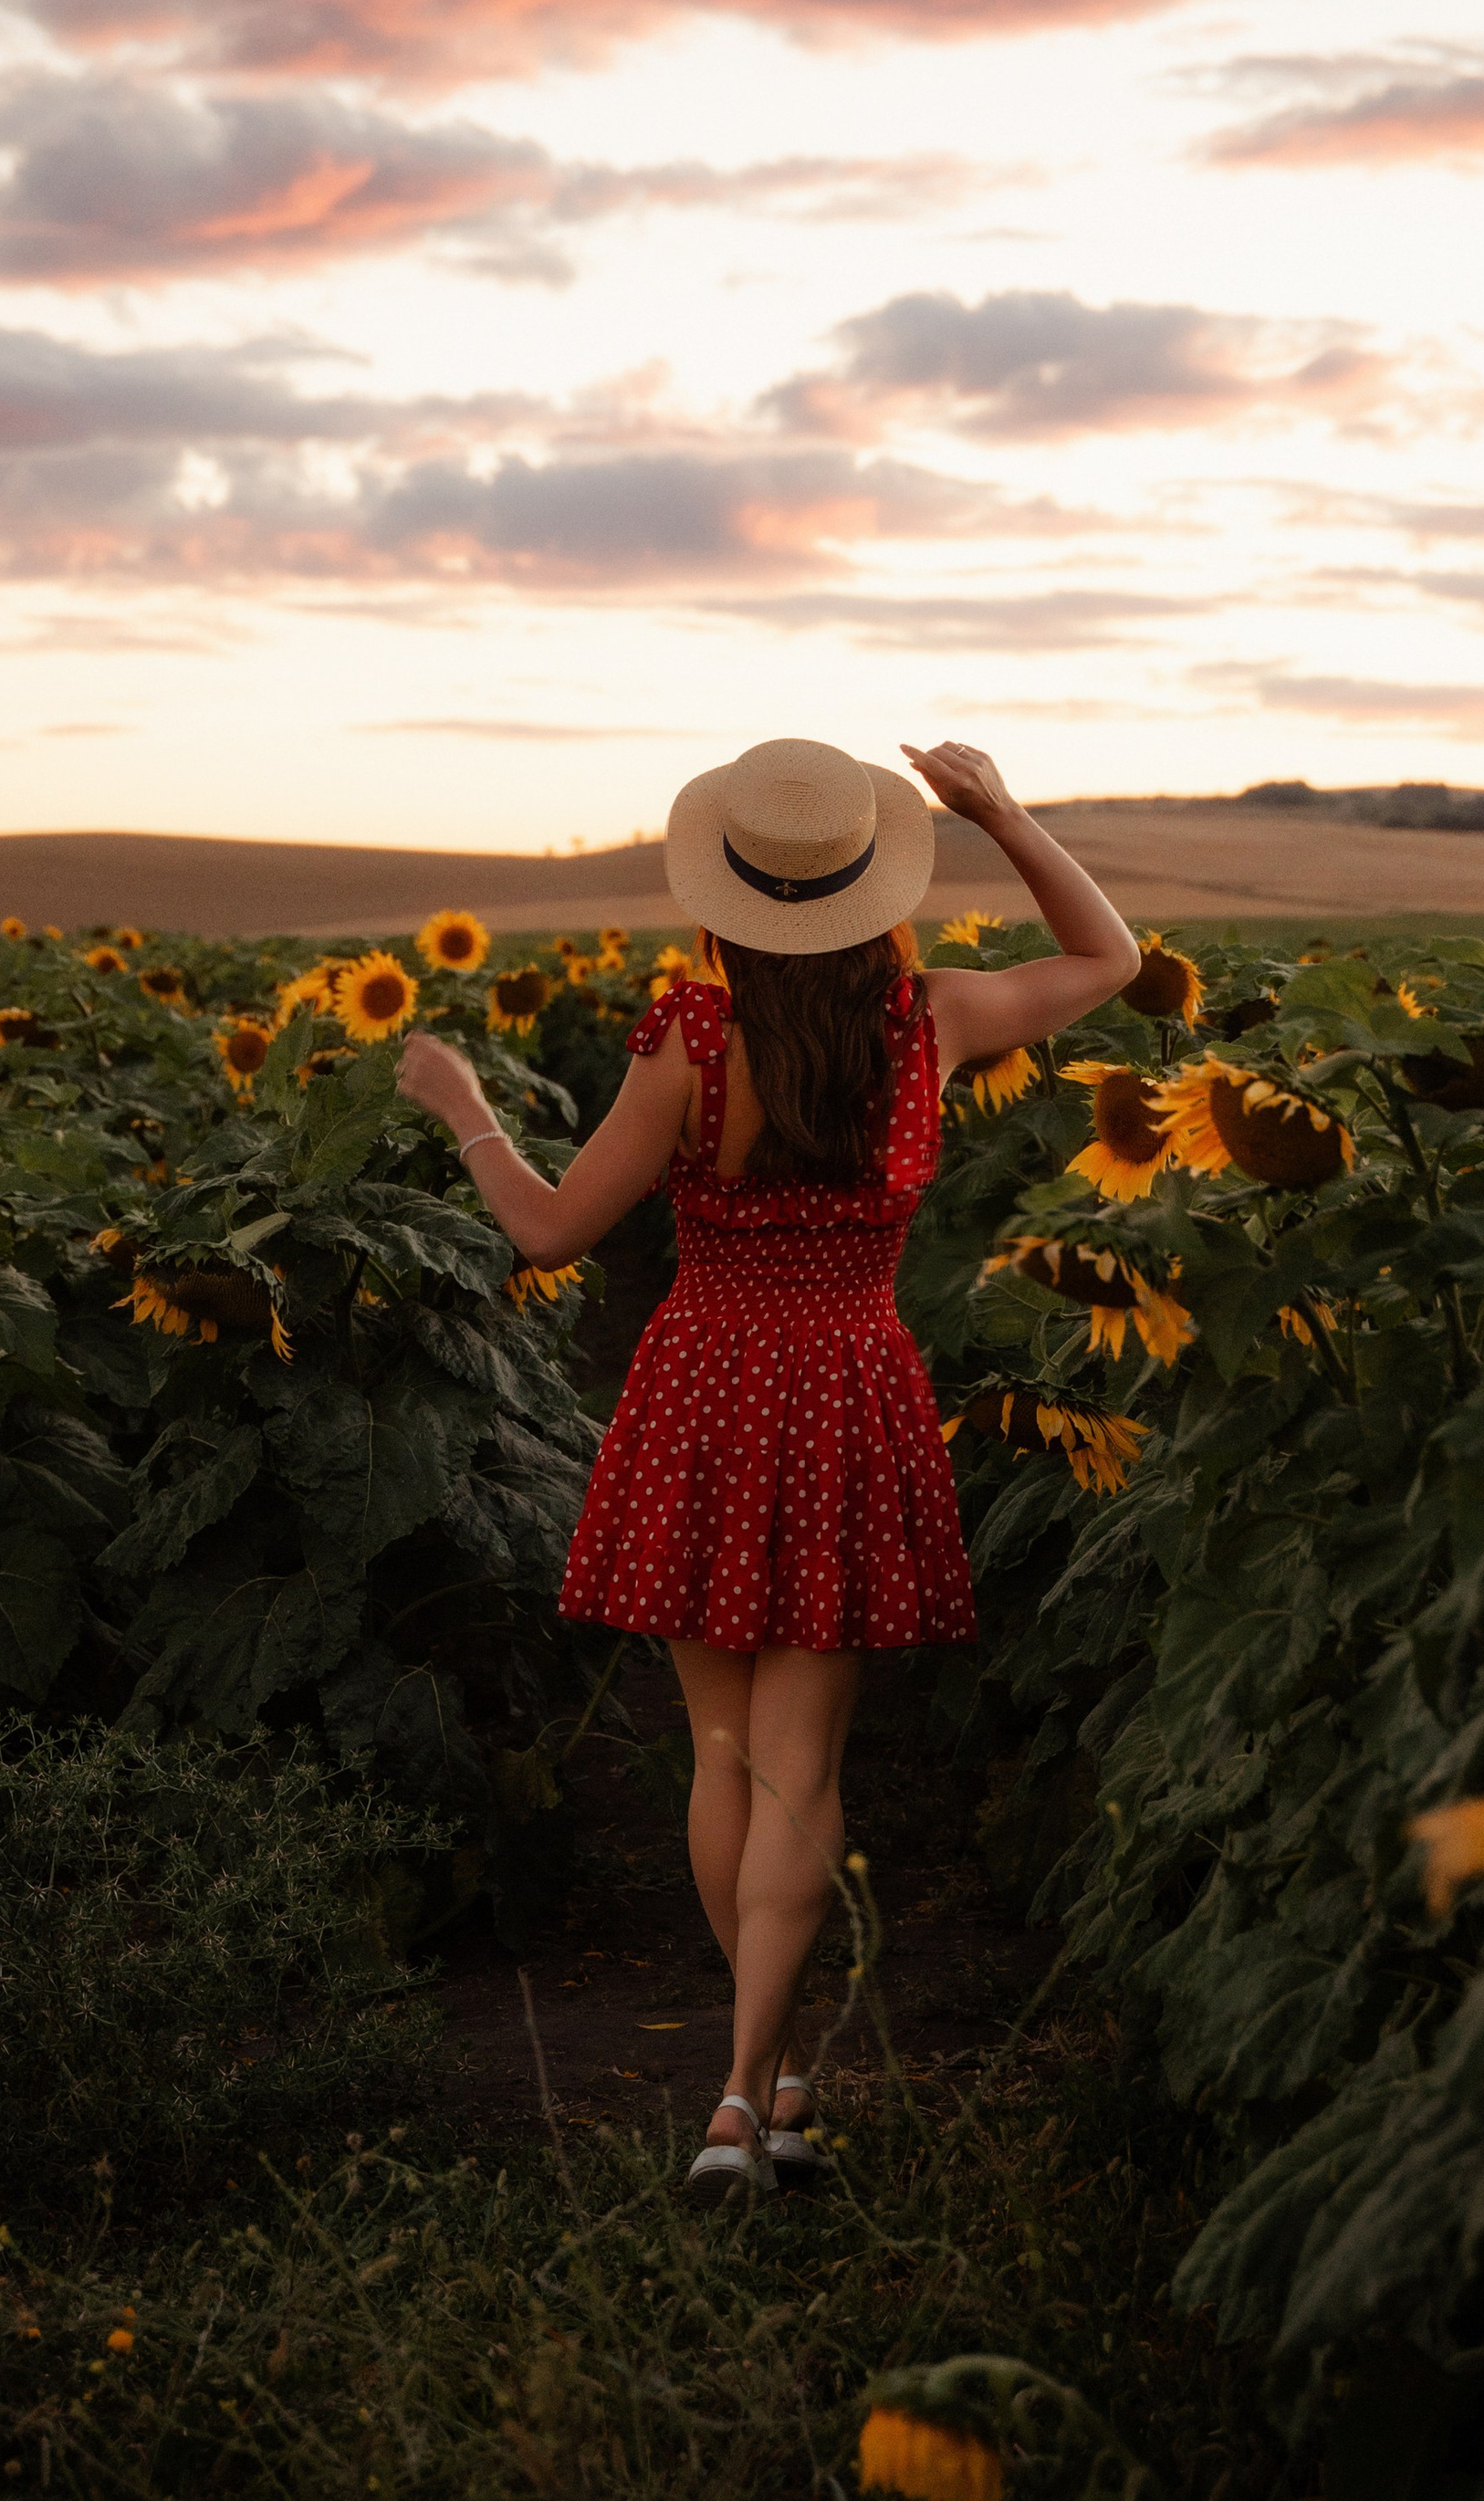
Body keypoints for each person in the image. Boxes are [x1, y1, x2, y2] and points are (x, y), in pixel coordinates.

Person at [396, 736, 1141, 2203]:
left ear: (726, 896)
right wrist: (999, 810)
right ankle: (764, 2091)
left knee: (723, 1760)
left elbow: (549, 1233)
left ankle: (752, 2092)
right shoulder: (932, 1022)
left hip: (704, 1395)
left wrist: (464, 1106)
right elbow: (1110, 957)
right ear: (876, 889)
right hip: (850, 1390)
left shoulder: (689, 1040)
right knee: (803, 1769)